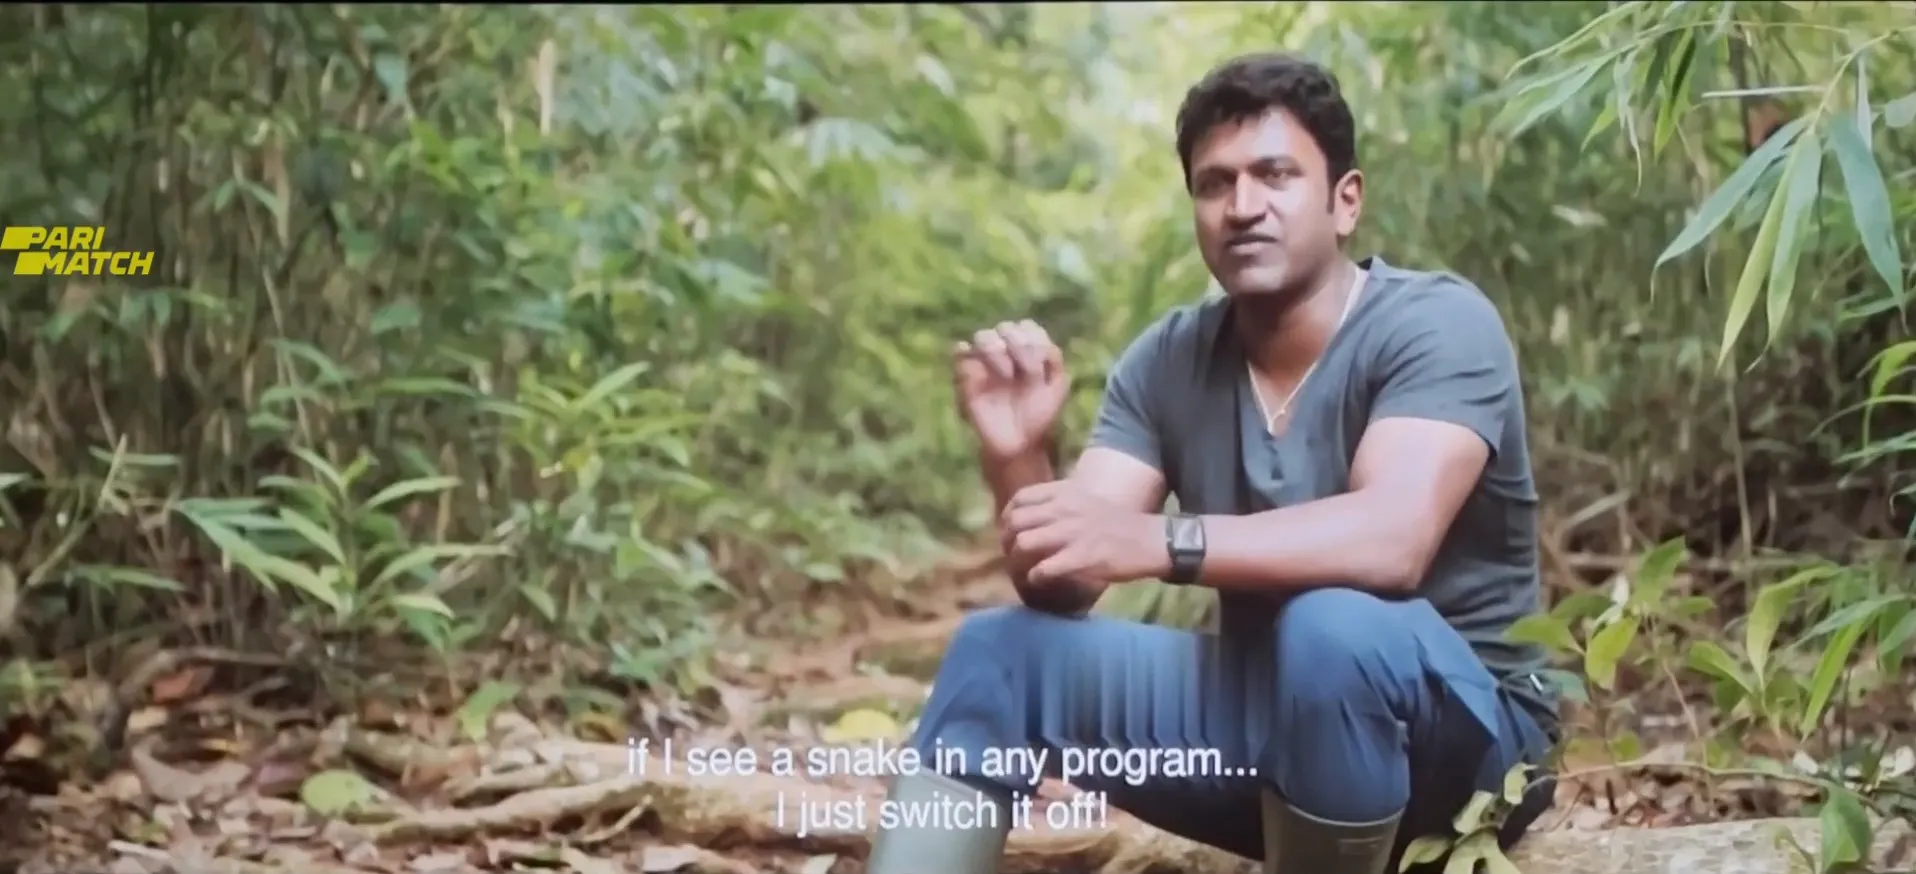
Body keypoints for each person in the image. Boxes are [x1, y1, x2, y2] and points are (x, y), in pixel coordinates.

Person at [863, 52, 1560, 874]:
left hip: (1471, 750)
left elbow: (1392, 539)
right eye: (1214, 183)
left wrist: (1160, 541)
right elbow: (1065, 578)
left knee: (1332, 632)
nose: (1243, 206)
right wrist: (1018, 459)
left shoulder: (1437, 323)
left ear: (1345, 201)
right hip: (1269, 735)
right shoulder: (1168, 359)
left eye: (1275, 175)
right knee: (997, 655)